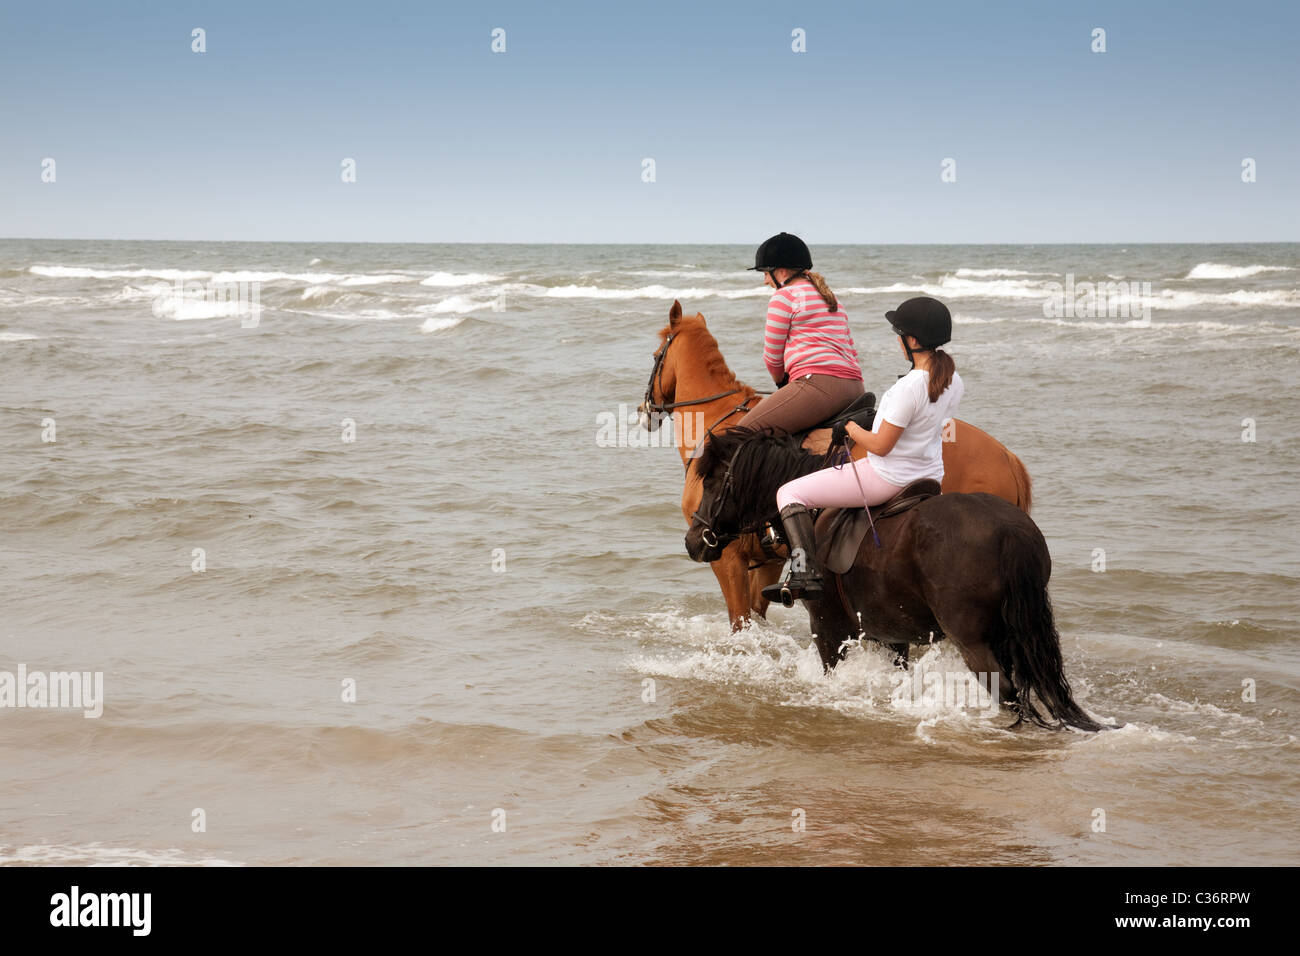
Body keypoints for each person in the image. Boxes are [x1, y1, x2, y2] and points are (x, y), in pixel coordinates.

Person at [761, 296, 963, 605]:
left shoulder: (906, 388)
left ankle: (805, 572)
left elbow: (881, 446)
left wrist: (851, 429)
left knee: (789, 493)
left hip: (888, 478)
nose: (898, 341)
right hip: (930, 475)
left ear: (910, 341)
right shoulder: (953, 380)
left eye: (900, 336)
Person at [734, 232, 866, 435]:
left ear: (782, 272)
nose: (765, 280)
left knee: (743, 432)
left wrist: (781, 382)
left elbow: (772, 357)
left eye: (766, 273)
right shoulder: (832, 298)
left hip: (820, 386)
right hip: (856, 388)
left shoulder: (784, 296)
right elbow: (851, 351)